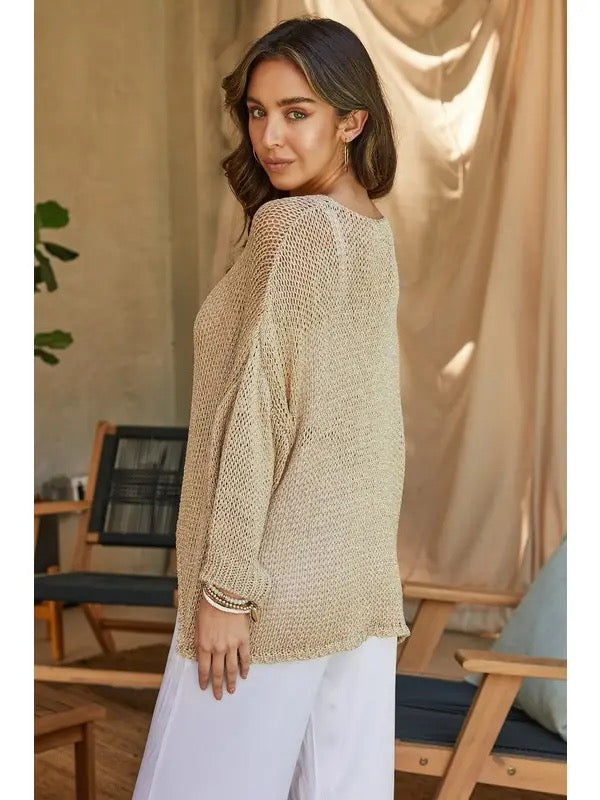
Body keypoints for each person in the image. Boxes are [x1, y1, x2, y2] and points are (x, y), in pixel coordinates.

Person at [133, 14, 410, 800]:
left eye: (297, 112)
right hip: (355, 583)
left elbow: (256, 417)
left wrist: (225, 591)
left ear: (351, 121)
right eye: (258, 112)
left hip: (266, 592)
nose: (270, 137)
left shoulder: (293, 230)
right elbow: (371, 430)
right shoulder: (368, 231)